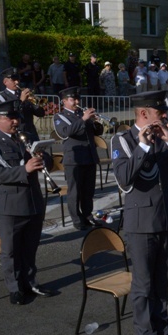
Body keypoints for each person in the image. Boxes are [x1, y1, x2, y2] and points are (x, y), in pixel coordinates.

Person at [111, 90, 168, 335]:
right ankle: (145, 333)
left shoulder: (165, 137)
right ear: (144, 113)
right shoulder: (122, 140)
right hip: (141, 222)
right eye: (160, 113)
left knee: (162, 279)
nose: (165, 116)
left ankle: (162, 326)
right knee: (144, 283)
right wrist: (143, 146)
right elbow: (124, 179)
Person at [0, 99, 55, 305]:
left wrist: (41, 157)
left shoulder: (25, 137)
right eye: (9, 118)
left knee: (30, 247)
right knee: (11, 250)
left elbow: (48, 161)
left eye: (16, 117)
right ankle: (15, 288)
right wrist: (25, 168)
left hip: (33, 201)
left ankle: (30, 282)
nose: (14, 121)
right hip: (9, 205)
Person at [53, 87, 101, 231]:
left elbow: (96, 132)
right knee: (74, 191)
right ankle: (76, 219)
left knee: (88, 190)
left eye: (77, 99)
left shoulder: (82, 114)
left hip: (89, 156)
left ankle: (87, 215)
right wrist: (83, 119)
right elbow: (65, 132)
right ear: (64, 101)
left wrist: (96, 121)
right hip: (74, 159)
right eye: (72, 99)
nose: (77, 102)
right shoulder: (60, 117)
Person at [0, 67, 45, 141]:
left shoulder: (25, 94)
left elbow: (41, 114)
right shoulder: (0, 96)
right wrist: (21, 101)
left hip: (31, 133)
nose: (17, 82)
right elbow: (8, 113)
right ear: (5, 82)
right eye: (13, 80)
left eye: (18, 80)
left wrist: (36, 103)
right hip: (15, 134)